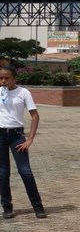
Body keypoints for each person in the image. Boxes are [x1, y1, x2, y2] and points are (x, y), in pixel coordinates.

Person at [0, 65, 46, 219]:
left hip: (17, 135)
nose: (3, 81)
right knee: (2, 173)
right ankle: (7, 208)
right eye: (1, 78)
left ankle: (38, 207)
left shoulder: (23, 93)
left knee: (25, 172)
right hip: (1, 135)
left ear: (14, 78)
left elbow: (35, 116)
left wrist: (30, 139)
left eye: (7, 78)